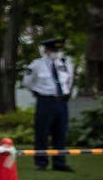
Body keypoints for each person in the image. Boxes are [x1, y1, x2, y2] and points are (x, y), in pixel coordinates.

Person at [23, 37, 76, 172]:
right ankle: (41, 162)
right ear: (46, 50)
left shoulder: (65, 64)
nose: (56, 53)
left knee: (61, 132)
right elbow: (27, 82)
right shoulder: (36, 65)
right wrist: (38, 92)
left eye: (58, 50)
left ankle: (59, 162)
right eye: (53, 50)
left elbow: (69, 81)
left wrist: (65, 93)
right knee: (42, 132)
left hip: (61, 101)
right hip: (45, 101)